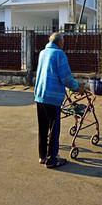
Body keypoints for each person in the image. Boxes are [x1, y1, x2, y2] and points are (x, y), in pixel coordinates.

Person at [34, 32, 84, 168]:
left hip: (40, 95)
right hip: (52, 97)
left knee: (43, 127)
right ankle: (52, 160)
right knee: (54, 129)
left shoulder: (43, 53)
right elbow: (66, 77)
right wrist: (77, 88)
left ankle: (42, 156)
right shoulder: (59, 54)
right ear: (60, 43)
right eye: (63, 42)